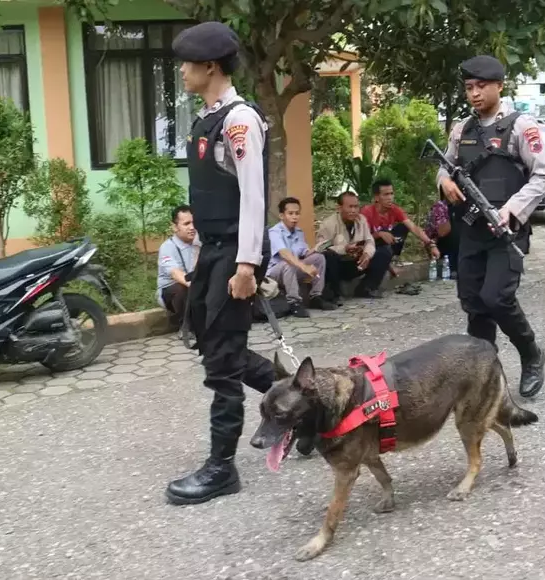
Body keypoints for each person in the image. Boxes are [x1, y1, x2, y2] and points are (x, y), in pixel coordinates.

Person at [165, 20, 278, 505]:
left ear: (210, 66)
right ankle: (306, 403)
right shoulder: (207, 119)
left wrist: (248, 266)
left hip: (237, 251)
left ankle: (222, 467)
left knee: (225, 359)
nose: (183, 71)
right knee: (215, 347)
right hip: (214, 250)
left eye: (188, 63)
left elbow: (254, 198)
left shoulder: (238, 121)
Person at [436, 54, 545, 398]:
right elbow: (445, 166)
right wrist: (444, 182)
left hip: (506, 231)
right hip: (471, 230)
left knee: (497, 299)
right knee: (473, 302)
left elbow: (542, 176)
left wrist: (513, 209)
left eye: (482, 86)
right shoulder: (462, 129)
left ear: (500, 86)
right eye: (469, 87)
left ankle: (532, 354)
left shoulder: (520, 126)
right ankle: (483, 373)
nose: (474, 93)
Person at [267, 196, 337, 317]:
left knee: (319, 258)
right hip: (275, 272)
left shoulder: (298, 232)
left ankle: (316, 296)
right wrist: (304, 267)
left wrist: (315, 249)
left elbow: (303, 253)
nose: (294, 217)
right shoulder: (275, 232)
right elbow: (285, 254)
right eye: (290, 213)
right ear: (281, 215)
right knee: (288, 263)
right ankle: (294, 302)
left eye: (297, 213)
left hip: (292, 269)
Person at [317, 191, 393, 300]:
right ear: (339, 208)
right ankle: (334, 293)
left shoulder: (361, 220)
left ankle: (366, 288)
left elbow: (369, 241)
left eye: (356, 207)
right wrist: (344, 249)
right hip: (339, 266)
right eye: (350, 207)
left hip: (357, 262)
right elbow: (321, 248)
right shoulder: (328, 224)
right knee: (328, 256)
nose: (353, 211)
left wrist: (367, 254)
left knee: (384, 251)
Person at [360, 178, 441, 269]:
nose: (390, 197)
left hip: (386, 247)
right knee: (384, 232)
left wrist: (431, 245)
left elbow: (413, 227)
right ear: (376, 197)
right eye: (386, 194)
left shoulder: (394, 209)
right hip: (369, 249)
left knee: (403, 227)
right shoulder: (366, 212)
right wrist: (379, 234)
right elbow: (360, 239)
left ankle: (392, 259)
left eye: (391, 193)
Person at [156, 205, 201, 331]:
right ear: (175, 227)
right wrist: (197, 285)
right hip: (172, 293)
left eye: (194, 223)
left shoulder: (200, 244)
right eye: (186, 224)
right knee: (181, 287)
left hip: (193, 287)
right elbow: (176, 274)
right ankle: (184, 326)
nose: (192, 227)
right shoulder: (167, 247)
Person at [424, 194, 460, 279]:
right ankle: (452, 268)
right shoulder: (440, 206)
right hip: (440, 247)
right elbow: (443, 232)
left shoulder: (462, 206)